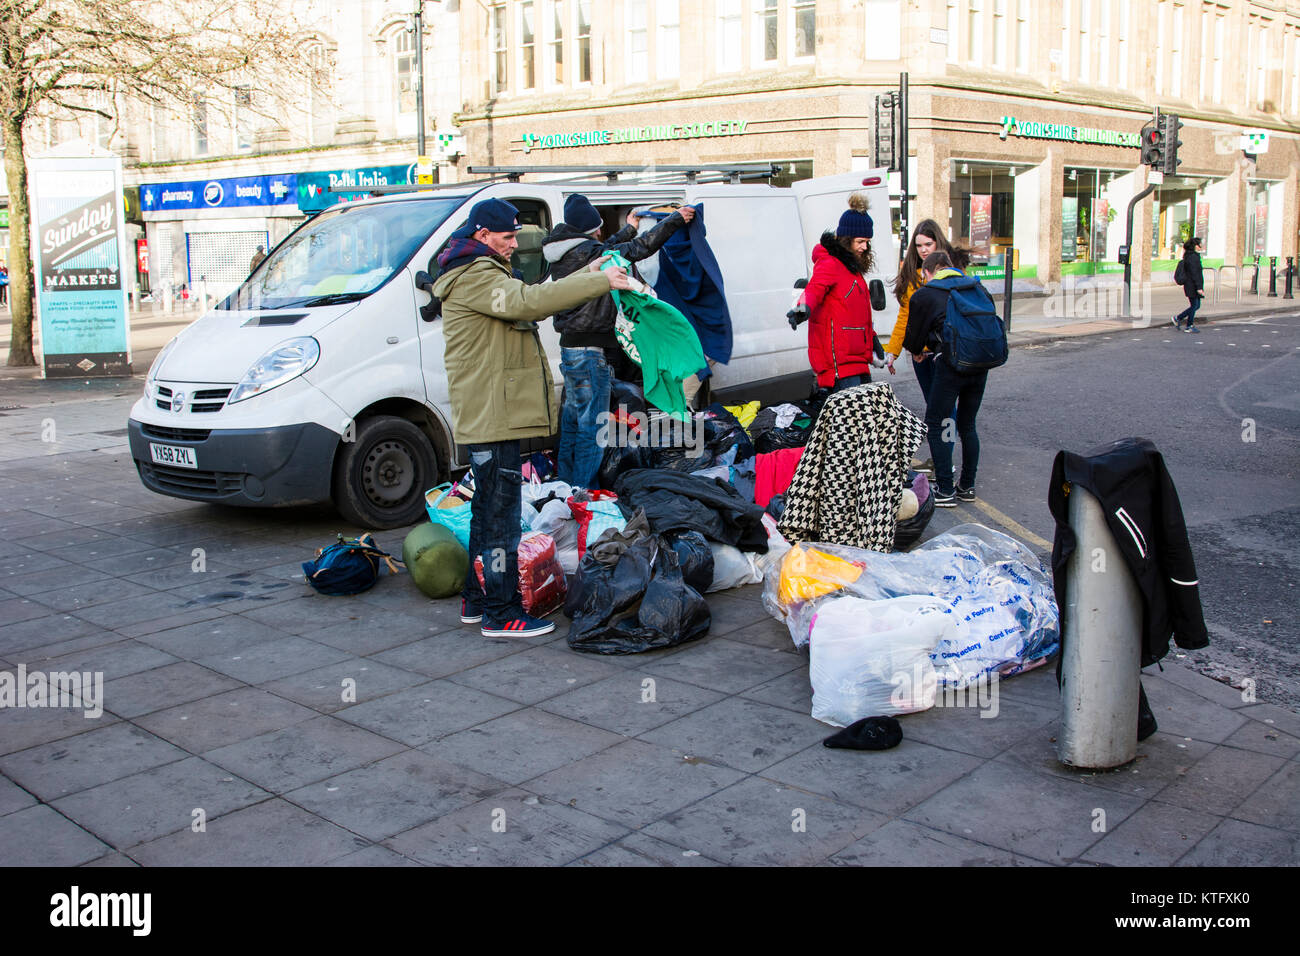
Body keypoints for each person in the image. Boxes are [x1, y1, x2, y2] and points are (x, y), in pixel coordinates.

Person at [431, 198, 634, 638]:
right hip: (493, 410)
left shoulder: (477, 270)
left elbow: (535, 293)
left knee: (488, 510)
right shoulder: (478, 275)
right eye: (506, 237)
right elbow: (530, 302)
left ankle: (477, 597)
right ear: (482, 235)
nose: (512, 245)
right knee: (500, 516)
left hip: (490, 408)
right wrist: (597, 281)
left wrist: (588, 271)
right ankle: (501, 613)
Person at [542, 194, 696, 489]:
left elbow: (605, 247)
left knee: (573, 424)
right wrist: (675, 220)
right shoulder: (590, 252)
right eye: (598, 228)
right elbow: (637, 249)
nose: (601, 232)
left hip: (570, 349)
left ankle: (564, 486)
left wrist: (628, 228)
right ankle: (582, 493)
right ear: (590, 230)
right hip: (590, 352)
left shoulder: (561, 253)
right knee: (592, 429)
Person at [903, 251, 993, 508]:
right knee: (968, 424)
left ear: (930, 271)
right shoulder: (976, 288)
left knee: (938, 421)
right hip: (980, 364)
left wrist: (919, 351)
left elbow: (913, 340)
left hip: (950, 365)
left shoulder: (927, 294)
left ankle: (944, 490)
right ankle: (967, 486)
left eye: (924, 275)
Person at [884, 219, 969, 468]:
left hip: (944, 355)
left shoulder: (954, 275)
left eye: (928, 244)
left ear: (938, 242)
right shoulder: (912, 276)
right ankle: (939, 458)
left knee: (946, 410)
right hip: (921, 357)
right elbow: (905, 318)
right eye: (919, 245)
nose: (923, 250)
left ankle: (945, 460)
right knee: (934, 409)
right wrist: (893, 351)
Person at [788, 192, 885, 393]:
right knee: (850, 421)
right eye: (860, 241)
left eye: (867, 242)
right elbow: (814, 288)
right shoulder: (830, 263)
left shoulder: (853, 271)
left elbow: (859, 315)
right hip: (839, 363)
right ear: (846, 239)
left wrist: (873, 341)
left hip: (857, 359)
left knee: (861, 420)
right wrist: (802, 308)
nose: (864, 247)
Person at [1173, 236, 1204, 333]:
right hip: (1192, 285)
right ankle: (1188, 325)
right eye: (1200, 244)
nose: (1201, 246)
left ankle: (1178, 318)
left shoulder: (1189, 256)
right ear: (1196, 246)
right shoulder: (1193, 257)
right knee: (1195, 305)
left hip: (1190, 284)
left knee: (1196, 305)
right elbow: (1195, 273)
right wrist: (1199, 287)